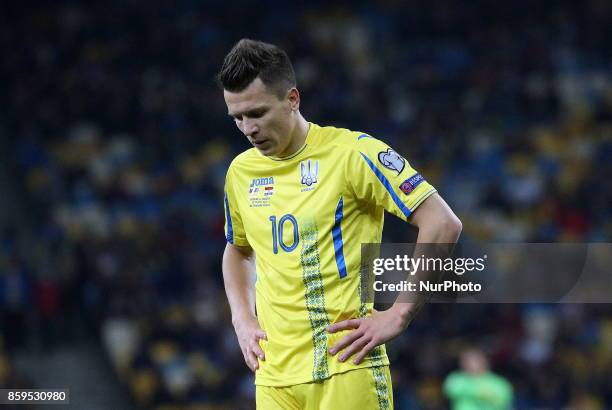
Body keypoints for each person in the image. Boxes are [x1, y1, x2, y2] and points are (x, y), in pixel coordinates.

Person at [218, 38, 462, 410]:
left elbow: (443, 223)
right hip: (274, 377)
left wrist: (399, 313)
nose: (248, 128)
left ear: (293, 99)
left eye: (257, 113)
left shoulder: (353, 153)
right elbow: (237, 250)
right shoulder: (241, 172)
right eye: (237, 117)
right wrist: (242, 318)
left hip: (346, 367)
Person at [443, 348, 514, 410]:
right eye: (467, 361)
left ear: (484, 361)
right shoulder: (456, 378)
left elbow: (503, 399)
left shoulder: (498, 381)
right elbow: (451, 390)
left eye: (474, 360)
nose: (471, 364)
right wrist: (485, 393)